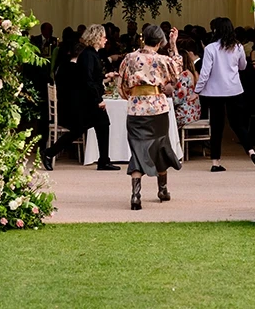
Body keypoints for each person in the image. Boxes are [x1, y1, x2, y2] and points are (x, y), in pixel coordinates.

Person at [118, 25, 184, 210]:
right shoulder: (163, 60)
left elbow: (121, 83)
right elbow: (177, 72)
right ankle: (162, 189)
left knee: (138, 150)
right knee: (160, 147)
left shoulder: (129, 58)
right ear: (160, 41)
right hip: (157, 108)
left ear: (144, 38)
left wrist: (130, 96)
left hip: (136, 110)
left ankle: (136, 195)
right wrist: (173, 46)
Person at [41, 24, 119, 172]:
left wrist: (105, 76)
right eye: (103, 37)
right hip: (87, 100)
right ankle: (49, 153)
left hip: (87, 99)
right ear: (97, 38)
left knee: (96, 126)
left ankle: (103, 160)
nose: (105, 40)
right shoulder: (89, 55)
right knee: (90, 127)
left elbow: (92, 77)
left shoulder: (90, 54)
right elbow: (88, 79)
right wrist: (98, 100)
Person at [194, 17, 255, 172]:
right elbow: (243, 66)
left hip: (215, 92)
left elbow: (205, 73)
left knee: (217, 125)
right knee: (238, 124)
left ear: (215, 30)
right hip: (234, 89)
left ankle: (215, 162)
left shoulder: (210, 48)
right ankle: (251, 152)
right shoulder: (238, 47)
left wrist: (197, 90)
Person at [173, 38, 202, 126]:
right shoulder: (193, 73)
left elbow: (179, 99)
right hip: (195, 112)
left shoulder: (184, 75)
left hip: (185, 114)